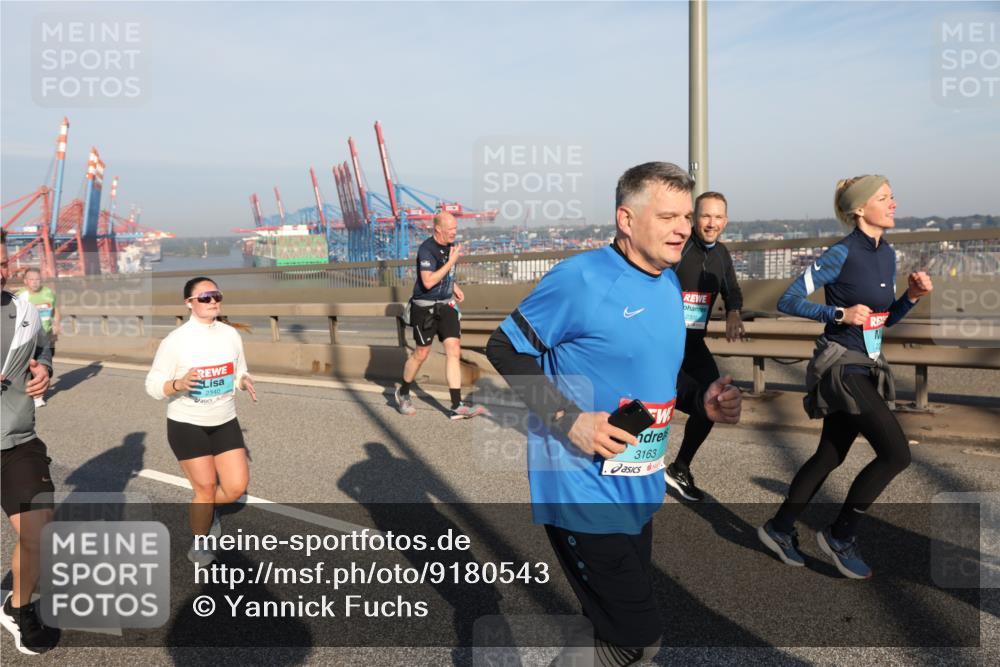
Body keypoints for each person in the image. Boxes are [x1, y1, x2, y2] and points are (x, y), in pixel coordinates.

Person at [486, 162, 742, 664]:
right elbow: (503, 347)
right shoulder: (581, 279)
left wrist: (701, 399)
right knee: (636, 639)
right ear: (626, 219)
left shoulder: (668, 284)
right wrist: (568, 420)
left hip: (638, 480)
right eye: (668, 216)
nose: (683, 229)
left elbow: (659, 378)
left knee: (604, 626)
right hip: (581, 484)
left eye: (686, 217)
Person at [757, 175, 933, 579]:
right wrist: (837, 313)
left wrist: (911, 298)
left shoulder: (886, 254)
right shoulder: (841, 253)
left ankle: (779, 528)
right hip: (841, 367)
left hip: (866, 366)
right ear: (859, 209)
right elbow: (788, 300)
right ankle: (839, 536)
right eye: (884, 197)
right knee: (896, 454)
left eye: (891, 196)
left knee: (829, 455)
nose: (894, 203)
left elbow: (880, 321)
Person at [145, 277, 257, 567]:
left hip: (224, 419)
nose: (213, 301)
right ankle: (199, 543)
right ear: (189, 303)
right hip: (187, 423)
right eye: (205, 297)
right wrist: (178, 384)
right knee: (205, 488)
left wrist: (243, 381)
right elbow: (152, 385)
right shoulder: (176, 341)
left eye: (216, 295)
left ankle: (208, 510)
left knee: (235, 489)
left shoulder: (231, 335)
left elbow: (238, 371)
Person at [0, 230, 60, 654]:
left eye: (3, 262)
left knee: (39, 533)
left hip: (16, 440)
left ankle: (19, 608)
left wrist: (44, 370)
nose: (2, 270)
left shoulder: (24, 311)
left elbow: (41, 351)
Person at [664, 191, 745, 501]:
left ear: (725, 221)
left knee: (715, 398)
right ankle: (625, 460)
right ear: (694, 218)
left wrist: (734, 312)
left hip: (694, 345)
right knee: (654, 403)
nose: (711, 223)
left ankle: (679, 468)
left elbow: (732, 289)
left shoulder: (722, 255)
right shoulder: (680, 248)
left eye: (718, 217)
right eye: (705, 216)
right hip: (664, 343)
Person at [395, 211, 484, 420]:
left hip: (446, 306)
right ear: (438, 230)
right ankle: (404, 392)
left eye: (455, 229)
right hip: (425, 308)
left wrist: (454, 286)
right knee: (421, 354)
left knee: (453, 349)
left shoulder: (450, 247)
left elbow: (444, 274)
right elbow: (427, 281)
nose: (454, 233)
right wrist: (451, 262)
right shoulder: (427, 250)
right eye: (450, 230)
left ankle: (456, 405)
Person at [16, 268, 60, 408]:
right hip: (28, 336)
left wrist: (57, 323)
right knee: (30, 365)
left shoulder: (48, 293)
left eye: (37, 279)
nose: (35, 282)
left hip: (45, 334)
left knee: (45, 363)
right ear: (25, 281)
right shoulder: (20, 296)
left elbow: (56, 309)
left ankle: (37, 393)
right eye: (31, 279)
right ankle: (34, 394)